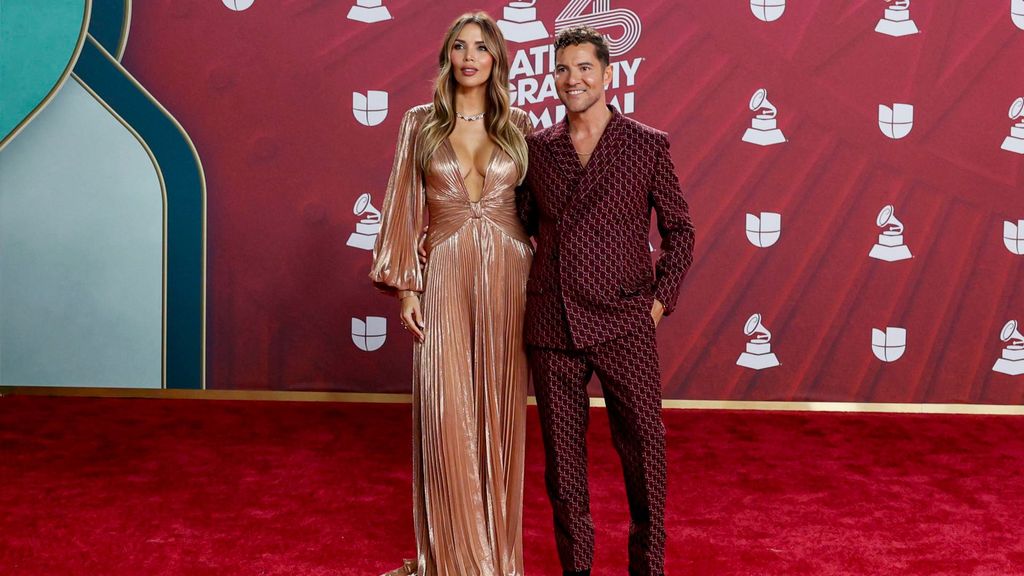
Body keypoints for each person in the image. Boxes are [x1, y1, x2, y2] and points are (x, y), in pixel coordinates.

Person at [517, 26, 696, 576]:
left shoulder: (646, 144)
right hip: (552, 323)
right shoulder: (539, 149)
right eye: (563, 69)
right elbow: (521, 224)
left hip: (625, 320)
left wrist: (658, 303)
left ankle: (648, 567)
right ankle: (577, 570)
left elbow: (681, 231)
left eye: (584, 68)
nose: (573, 79)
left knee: (645, 450)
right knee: (564, 467)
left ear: (608, 75)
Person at [369, 11, 533, 576]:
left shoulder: (522, 126)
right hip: (441, 276)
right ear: (447, 57)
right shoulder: (420, 123)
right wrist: (406, 288)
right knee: (447, 414)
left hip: (511, 281)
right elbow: (399, 205)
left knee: (499, 410)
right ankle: (451, 559)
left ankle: (496, 557)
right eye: (459, 46)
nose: (469, 56)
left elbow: (547, 213)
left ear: (497, 59)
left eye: (481, 48)